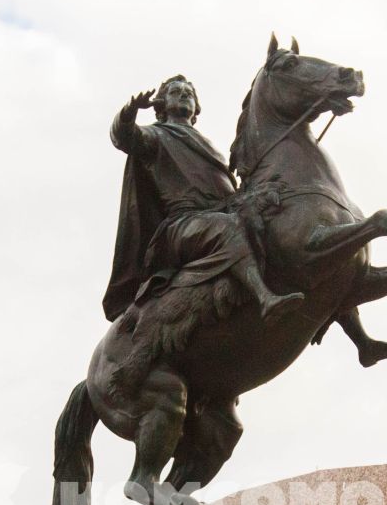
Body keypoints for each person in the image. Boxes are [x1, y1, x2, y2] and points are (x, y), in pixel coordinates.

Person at [103, 74, 303, 324]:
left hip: (220, 212)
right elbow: (123, 136)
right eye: (176, 92)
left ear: (196, 107)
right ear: (161, 106)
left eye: (189, 92)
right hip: (183, 224)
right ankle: (266, 298)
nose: (185, 94)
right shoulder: (155, 136)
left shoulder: (210, 144)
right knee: (229, 228)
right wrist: (130, 110)